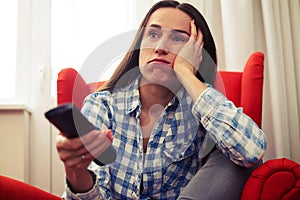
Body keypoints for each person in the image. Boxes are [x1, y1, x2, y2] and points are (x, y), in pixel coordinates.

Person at [56, 0, 267, 199]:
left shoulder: (202, 105)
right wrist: (76, 173)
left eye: (178, 39)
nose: (161, 47)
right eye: (153, 34)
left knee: (235, 154)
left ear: (196, 54)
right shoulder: (102, 105)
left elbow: (252, 151)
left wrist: (186, 72)